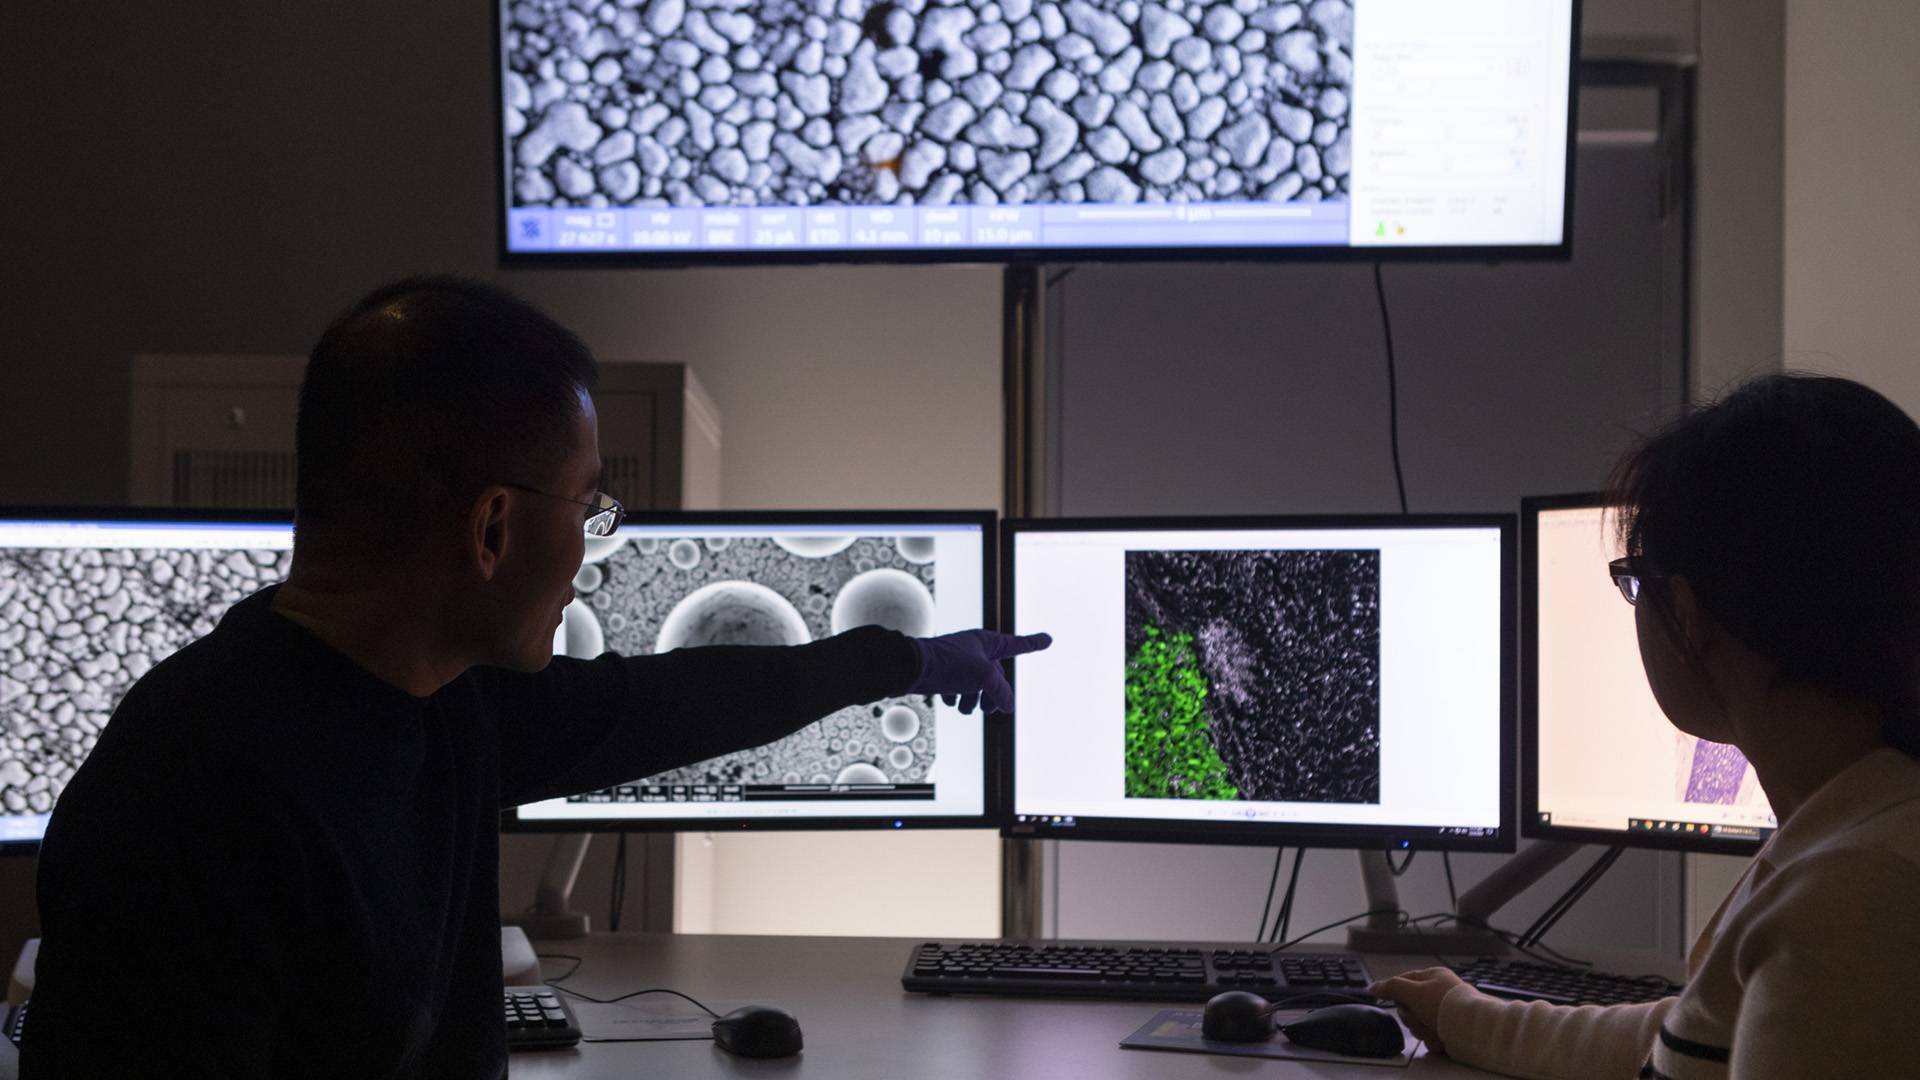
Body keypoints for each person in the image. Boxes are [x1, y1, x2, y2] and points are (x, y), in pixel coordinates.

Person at [23, 276, 1049, 1078]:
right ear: (494, 527)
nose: (589, 549)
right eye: (589, 510)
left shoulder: (435, 697)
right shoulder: (189, 797)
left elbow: (661, 705)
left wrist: (911, 659)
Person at [1371, 373, 1920, 1078]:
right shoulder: (1859, 835)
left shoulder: (1856, 903)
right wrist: (1466, 1015)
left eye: (1634, 581)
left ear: (1687, 618)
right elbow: (1692, 1032)